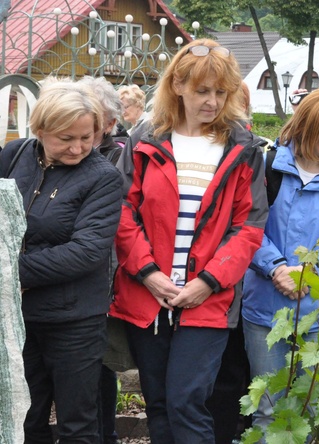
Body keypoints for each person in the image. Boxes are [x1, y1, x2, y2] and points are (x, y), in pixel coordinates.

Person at [110, 38, 268, 443]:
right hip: (149, 294)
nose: (213, 101)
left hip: (208, 298)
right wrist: (147, 273)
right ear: (178, 85)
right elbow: (124, 212)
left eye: (221, 92)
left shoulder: (243, 146)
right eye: (202, 91)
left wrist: (209, 282)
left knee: (187, 402)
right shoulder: (146, 137)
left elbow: (248, 226)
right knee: (159, 402)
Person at [0, 79, 123, 443]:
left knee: (78, 423)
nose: (78, 147)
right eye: (66, 138)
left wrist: (11, 271)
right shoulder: (15, 155)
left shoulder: (102, 178)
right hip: (20, 316)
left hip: (74, 320)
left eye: (87, 137)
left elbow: (86, 250)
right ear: (40, 129)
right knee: (23, 416)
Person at [242, 88, 319, 433]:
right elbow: (247, 227)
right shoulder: (268, 166)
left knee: (318, 411)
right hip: (266, 310)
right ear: (307, 128)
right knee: (268, 408)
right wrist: (277, 268)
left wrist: (307, 272)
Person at [78, 75, 125, 444]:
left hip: (105, 279)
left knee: (99, 366)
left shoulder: (120, 158)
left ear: (109, 124)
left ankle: (105, 435)